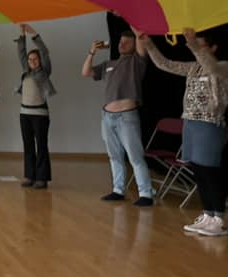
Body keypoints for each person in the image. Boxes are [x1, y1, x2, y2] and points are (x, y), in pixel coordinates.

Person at [139, 27, 228, 235]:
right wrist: (149, 44)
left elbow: (211, 68)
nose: (197, 49)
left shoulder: (223, 67)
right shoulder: (192, 68)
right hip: (190, 123)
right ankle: (207, 215)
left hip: (210, 123)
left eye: (202, 45)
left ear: (213, 48)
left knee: (210, 170)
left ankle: (219, 219)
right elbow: (165, 64)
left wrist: (193, 44)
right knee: (198, 169)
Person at [82, 29, 153, 206]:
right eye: (120, 42)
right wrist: (92, 51)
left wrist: (127, 16)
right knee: (114, 156)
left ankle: (145, 193)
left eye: (126, 42)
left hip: (126, 116)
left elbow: (140, 38)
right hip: (107, 117)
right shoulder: (108, 64)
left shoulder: (136, 62)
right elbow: (86, 72)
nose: (122, 45)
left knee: (135, 156)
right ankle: (118, 190)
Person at [16, 24, 56, 189]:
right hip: (24, 113)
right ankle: (29, 175)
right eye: (30, 59)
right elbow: (21, 53)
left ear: (39, 61)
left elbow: (45, 52)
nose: (32, 61)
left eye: (35, 59)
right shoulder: (26, 72)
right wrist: (21, 35)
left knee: (41, 145)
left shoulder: (44, 72)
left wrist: (34, 35)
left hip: (40, 114)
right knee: (28, 145)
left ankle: (42, 178)